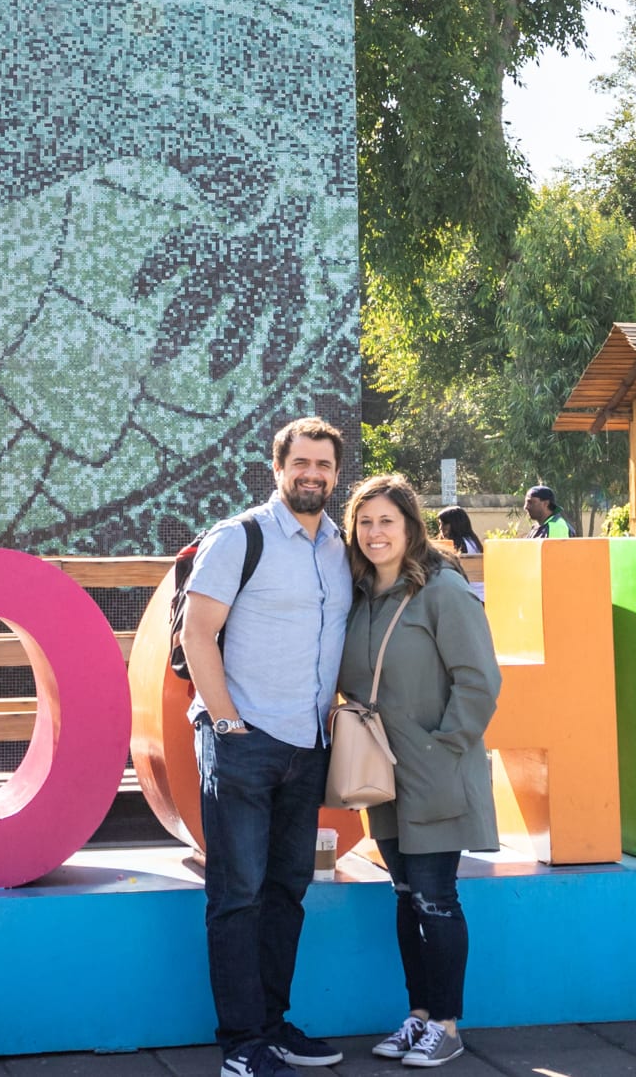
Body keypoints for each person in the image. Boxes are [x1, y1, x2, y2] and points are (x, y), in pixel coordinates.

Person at [183, 417, 355, 1077]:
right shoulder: (240, 538)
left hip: (309, 746)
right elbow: (198, 633)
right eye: (302, 462)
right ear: (278, 466)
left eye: (324, 465)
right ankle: (241, 1044)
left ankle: (275, 1025)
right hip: (243, 742)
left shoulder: (342, 547)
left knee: (287, 889)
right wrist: (227, 724)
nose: (313, 473)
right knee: (238, 893)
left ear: (336, 475)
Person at [340, 474, 501, 1069]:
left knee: (436, 897)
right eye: (365, 521)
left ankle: (448, 1024)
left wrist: (443, 746)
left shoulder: (443, 590)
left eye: (386, 520)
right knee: (405, 895)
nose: (375, 532)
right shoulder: (359, 596)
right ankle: (418, 1016)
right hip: (381, 773)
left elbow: (479, 679)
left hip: (435, 768)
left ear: (410, 526)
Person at [436, 506, 486, 601]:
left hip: (468, 596)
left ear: (455, 525)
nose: (441, 528)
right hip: (483, 596)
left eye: (444, 524)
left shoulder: (456, 545)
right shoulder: (473, 541)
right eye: (440, 524)